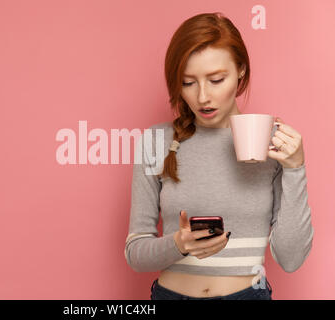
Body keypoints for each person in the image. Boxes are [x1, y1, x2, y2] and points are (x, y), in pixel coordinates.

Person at [124, 12, 314, 300]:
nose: (202, 97)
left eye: (216, 79)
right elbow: (135, 253)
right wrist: (179, 244)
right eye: (188, 82)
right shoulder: (156, 141)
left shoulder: (272, 142)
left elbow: (291, 259)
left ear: (240, 70)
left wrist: (295, 168)